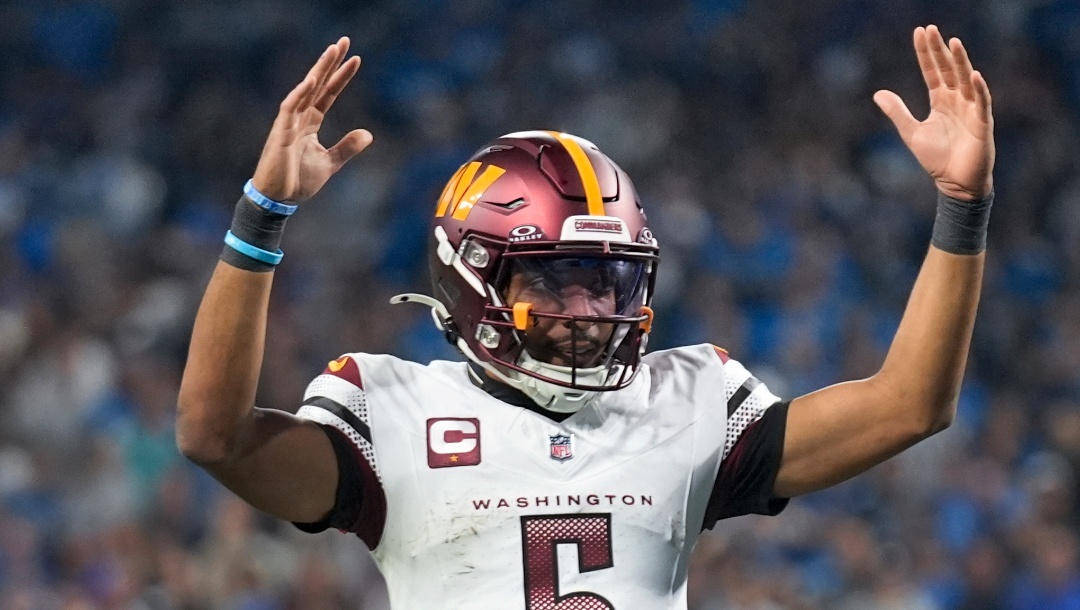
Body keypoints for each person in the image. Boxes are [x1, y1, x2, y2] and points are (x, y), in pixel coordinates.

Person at [177, 24, 995, 609]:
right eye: (559, 280)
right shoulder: (391, 411)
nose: (591, 309)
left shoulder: (688, 399)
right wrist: (262, 218)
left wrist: (963, 207)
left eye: (609, 281)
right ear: (472, 280)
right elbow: (214, 436)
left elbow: (910, 405)